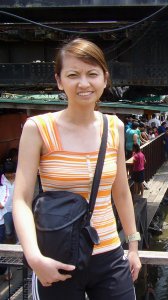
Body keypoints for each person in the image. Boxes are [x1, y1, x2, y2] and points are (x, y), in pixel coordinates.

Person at [13, 38, 141, 299]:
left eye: (92, 74)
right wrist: (34, 257)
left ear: (105, 79)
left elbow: (121, 192)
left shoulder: (113, 126)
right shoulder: (38, 128)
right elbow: (22, 199)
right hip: (58, 256)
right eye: (73, 75)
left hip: (110, 256)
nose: (84, 83)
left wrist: (134, 244)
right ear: (59, 81)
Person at [0, 159, 16, 281]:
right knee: (8, 232)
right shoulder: (2, 181)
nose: (10, 175)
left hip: (14, 209)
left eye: (12, 172)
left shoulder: (19, 178)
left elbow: (2, 204)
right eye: (8, 173)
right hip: (5, 213)